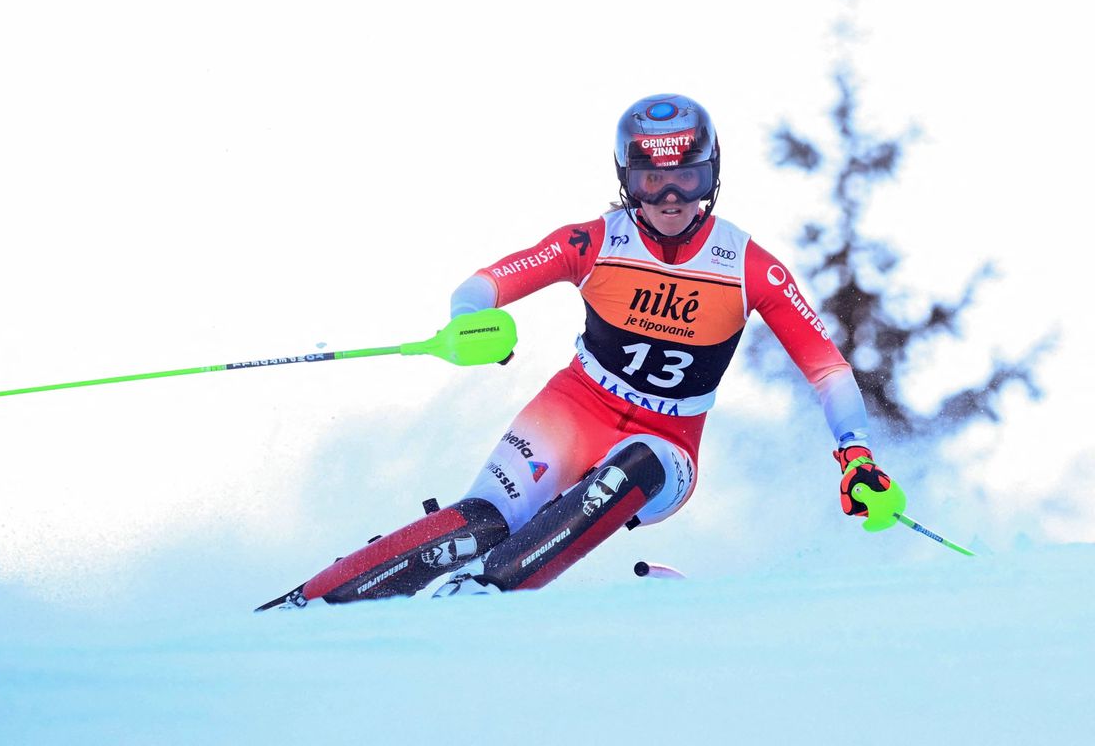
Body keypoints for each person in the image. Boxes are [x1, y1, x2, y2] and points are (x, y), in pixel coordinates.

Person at [261, 93, 905, 609]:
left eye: (686, 177)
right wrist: (468, 323)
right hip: (571, 410)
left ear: (711, 175)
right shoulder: (594, 241)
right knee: (480, 523)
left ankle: (480, 598)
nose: (671, 198)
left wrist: (856, 453)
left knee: (633, 468)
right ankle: (309, 602)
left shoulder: (749, 266)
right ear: (628, 181)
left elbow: (827, 368)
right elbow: (485, 283)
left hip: (667, 442)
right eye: (653, 180)